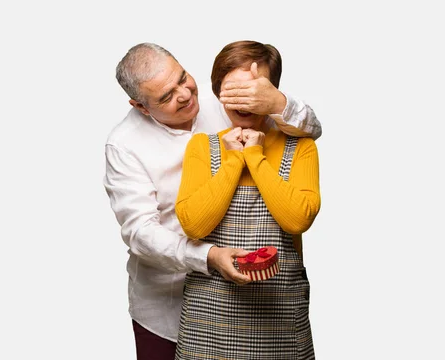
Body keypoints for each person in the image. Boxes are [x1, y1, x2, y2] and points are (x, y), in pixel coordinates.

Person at [103, 42, 322, 360]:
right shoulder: (124, 145)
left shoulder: (224, 97)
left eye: (182, 77)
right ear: (140, 106)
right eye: (166, 96)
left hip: (264, 301)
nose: (184, 94)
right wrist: (210, 256)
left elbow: (308, 130)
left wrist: (279, 101)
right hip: (167, 301)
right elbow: (140, 232)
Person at [174, 40, 321, 359]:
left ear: (272, 91)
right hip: (208, 322)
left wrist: (254, 156)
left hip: (278, 323)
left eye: (254, 89)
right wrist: (232, 160)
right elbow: (194, 226)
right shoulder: (202, 147)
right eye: (232, 90)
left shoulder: (301, 147)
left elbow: (297, 220)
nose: (244, 100)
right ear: (217, 91)